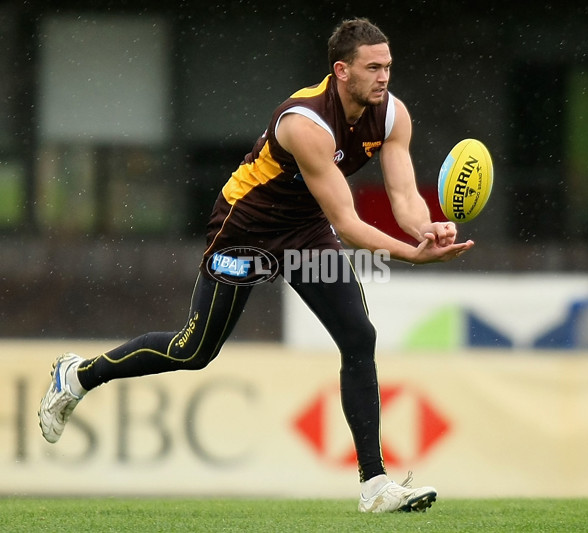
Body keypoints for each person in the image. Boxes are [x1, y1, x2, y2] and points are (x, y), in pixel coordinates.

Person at [39, 18, 474, 513]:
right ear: (341, 71)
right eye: (372, 68)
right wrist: (410, 254)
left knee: (358, 336)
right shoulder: (304, 123)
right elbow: (349, 225)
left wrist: (425, 229)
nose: (384, 77)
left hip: (305, 233)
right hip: (245, 232)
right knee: (193, 350)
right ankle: (77, 376)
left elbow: (402, 196)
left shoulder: (392, 115)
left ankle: (374, 486)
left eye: (388, 67)